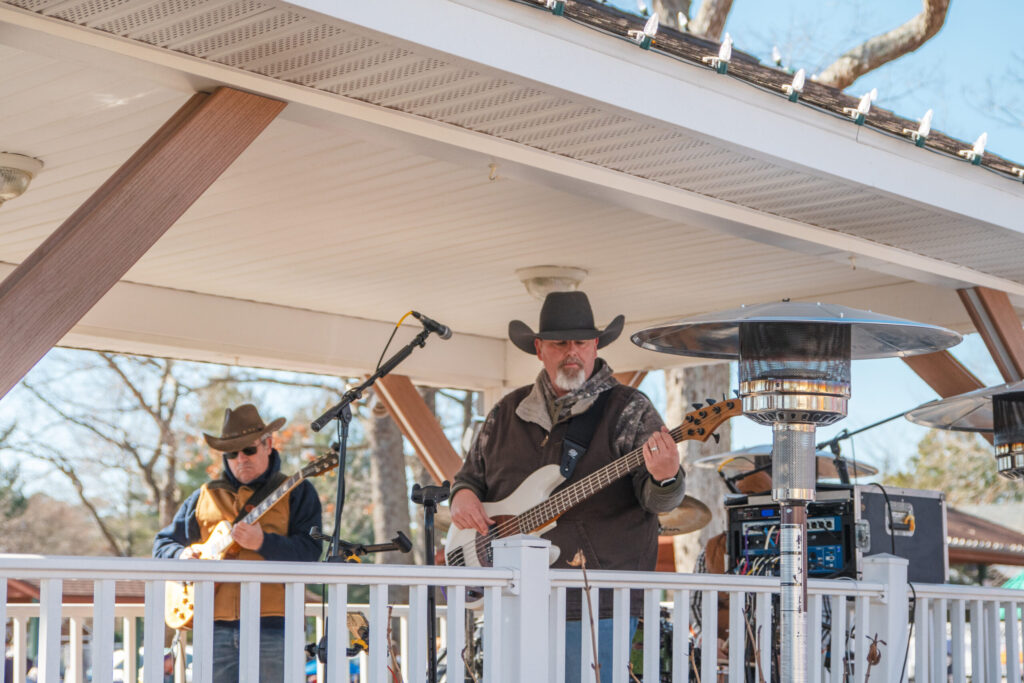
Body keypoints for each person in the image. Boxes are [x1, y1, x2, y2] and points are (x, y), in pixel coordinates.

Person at [450, 291, 685, 682]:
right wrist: (462, 496)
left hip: (598, 600)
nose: (571, 352)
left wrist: (665, 476)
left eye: (581, 342)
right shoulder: (506, 411)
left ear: (595, 347)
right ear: (540, 349)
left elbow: (658, 498)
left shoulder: (629, 408)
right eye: (560, 343)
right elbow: (469, 477)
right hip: (513, 595)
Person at [154, 404, 323, 683]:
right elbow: (162, 545)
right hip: (212, 626)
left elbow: (310, 552)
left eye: (248, 450)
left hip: (275, 624)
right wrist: (182, 554)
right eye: (231, 453)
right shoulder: (203, 496)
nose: (240, 458)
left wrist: (264, 543)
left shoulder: (298, 491)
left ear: (268, 444)